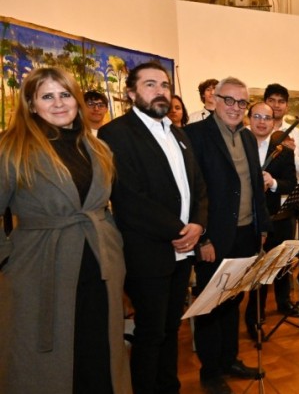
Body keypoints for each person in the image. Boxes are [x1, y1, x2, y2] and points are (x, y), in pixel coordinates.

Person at [0, 67, 131, 394]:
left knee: (99, 351)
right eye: (47, 96)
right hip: (41, 269)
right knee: (49, 362)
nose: (58, 103)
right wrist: (6, 261)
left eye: (65, 94)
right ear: (31, 104)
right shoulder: (12, 148)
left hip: (101, 267)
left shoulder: (98, 148)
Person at [99, 61, 208, 394]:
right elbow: (129, 198)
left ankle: (168, 386)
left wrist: (199, 225)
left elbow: (199, 186)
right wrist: (180, 230)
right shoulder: (115, 133)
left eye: (164, 85)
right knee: (149, 332)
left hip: (183, 249)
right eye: (150, 84)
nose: (160, 91)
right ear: (131, 92)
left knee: (171, 328)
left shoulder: (177, 132)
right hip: (149, 250)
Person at [184, 77, 270, 393]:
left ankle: (230, 359)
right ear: (215, 100)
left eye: (241, 102)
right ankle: (210, 371)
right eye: (229, 100)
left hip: (246, 233)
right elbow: (192, 191)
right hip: (213, 237)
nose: (235, 108)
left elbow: (254, 188)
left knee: (233, 300)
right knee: (210, 304)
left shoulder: (248, 138)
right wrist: (202, 238)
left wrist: (262, 228)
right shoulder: (195, 135)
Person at [243, 102, 299, 341]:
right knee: (255, 271)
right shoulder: (239, 145)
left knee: (277, 265)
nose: (262, 122)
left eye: (267, 118)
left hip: (276, 218)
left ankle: (282, 302)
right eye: (257, 116)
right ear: (249, 119)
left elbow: (291, 183)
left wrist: (273, 182)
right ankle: (254, 316)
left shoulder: (283, 151)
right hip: (248, 220)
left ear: (273, 122)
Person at [264, 83, 299, 178]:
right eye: (271, 100)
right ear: (264, 103)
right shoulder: (251, 131)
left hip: (291, 191)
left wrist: (290, 154)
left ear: (287, 107)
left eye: (281, 101)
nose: (276, 105)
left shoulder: (298, 134)